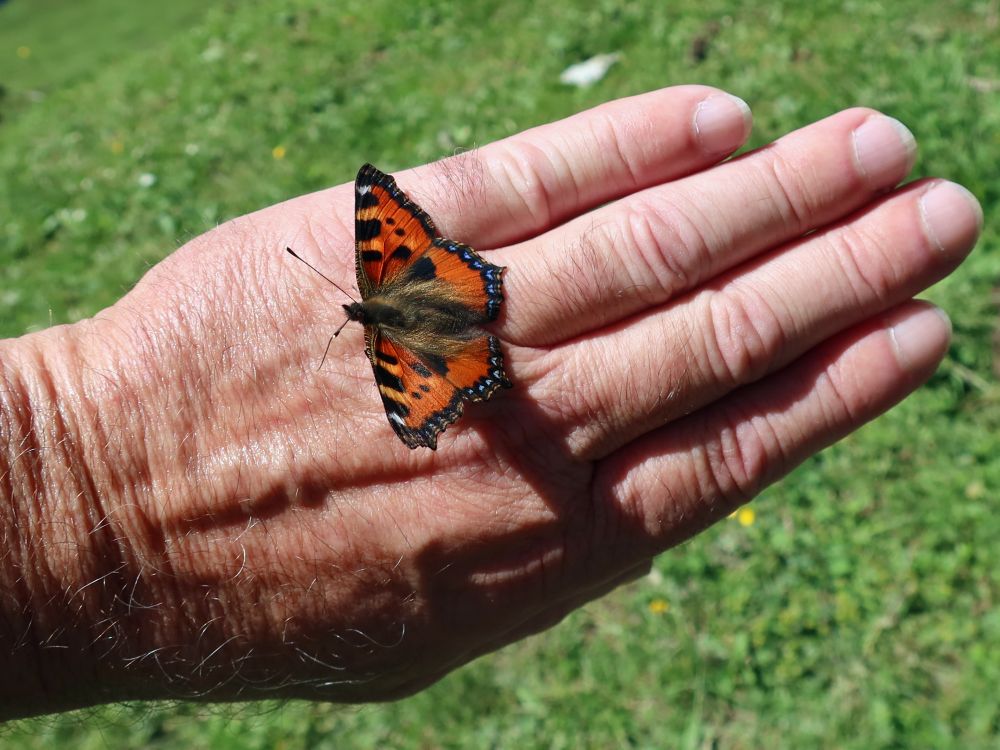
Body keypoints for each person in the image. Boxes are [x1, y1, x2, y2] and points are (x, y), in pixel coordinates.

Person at [0, 85, 981, 719]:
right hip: (444, 287)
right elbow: (396, 300)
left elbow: (409, 389)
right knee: (422, 333)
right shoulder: (386, 286)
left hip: (434, 328)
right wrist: (80, 485)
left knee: (419, 361)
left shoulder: (389, 345)